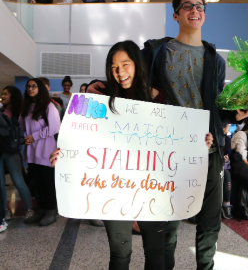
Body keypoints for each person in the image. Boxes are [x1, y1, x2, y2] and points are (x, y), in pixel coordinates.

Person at [87, 0, 248, 270]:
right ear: (175, 14)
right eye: (188, 6)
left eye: (200, 6)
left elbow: (214, 105)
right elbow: (129, 76)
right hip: (166, 149)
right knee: (166, 222)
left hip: (208, 147)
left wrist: (236, 113)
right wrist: (99, 86)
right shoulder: (157, 51)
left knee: (209, 222)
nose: (195, 11)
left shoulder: (215, 60)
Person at [51, 40, 213, 269]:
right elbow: (83, 137)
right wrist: (65, 155)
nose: (120, 72)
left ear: (137, 64)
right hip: (113, 188)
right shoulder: (102, 97)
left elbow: (173, 140)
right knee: (119, 255)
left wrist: (197, 142)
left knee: (156, 253)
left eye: (125, 64)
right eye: (114, 67)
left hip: (152, 188)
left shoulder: (158, 97)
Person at [19, 79, 60, 226]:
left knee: (47, 182)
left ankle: (50, 211)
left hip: (46, 152)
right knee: (37, 183)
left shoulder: (49, 106)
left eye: (34, 86)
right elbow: (21, 126)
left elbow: (54, 128)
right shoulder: (26, 107)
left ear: (40, 88)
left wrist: (33, 136)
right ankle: (41, 209)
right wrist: (24, 136)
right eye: (28, 86)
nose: (30, 89)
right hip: (31, 152)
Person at [0, 86, 35, 223]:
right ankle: (4, 211)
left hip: (12, 152)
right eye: (2, 94)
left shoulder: (19, 112)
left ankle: (29, 209)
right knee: (0, 184)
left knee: (18, 181)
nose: (3, 96)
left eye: (6, 94)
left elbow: (23, 130)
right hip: (1, 150)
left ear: (12, 96)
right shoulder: (1, 110)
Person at [221, 123, 232, 219]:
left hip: (224, 166)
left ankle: (226, 204)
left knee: (227, 175)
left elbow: (228, 155)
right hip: (213, 165)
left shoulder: (227, 139)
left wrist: (226, 159)